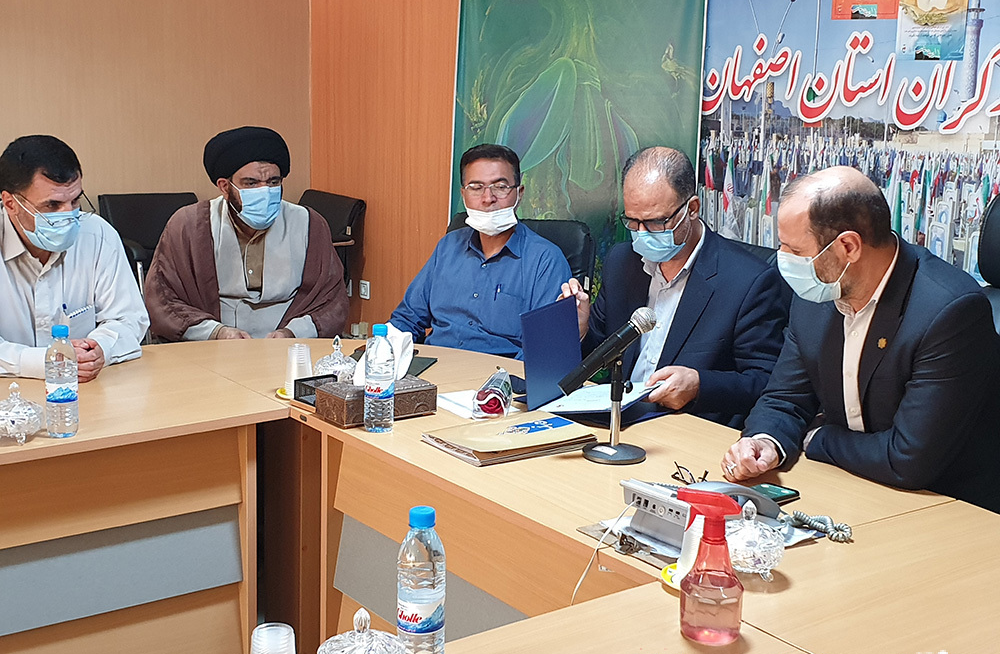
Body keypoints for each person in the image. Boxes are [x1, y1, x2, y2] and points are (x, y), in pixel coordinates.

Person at [722, 166, 1000, 513]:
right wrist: (765, 442)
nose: (785, 261)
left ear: (848, 246)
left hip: (945, 504)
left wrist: (817, 436)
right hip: (849, 484)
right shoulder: (818, 293)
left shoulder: (948, 311)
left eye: (794, 250)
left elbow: (907, 459)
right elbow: (785, 397)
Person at [561, 147, 787, 428]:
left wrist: (699, 385)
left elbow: (765, 382)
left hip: (686, 428)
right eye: (632, 221)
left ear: (692, 209)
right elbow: (601, 354)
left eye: (656, 222)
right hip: (619, 420)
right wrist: (581, 330)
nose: (641, 234)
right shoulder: (622, 262)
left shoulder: (748, 281)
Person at [145, 126, 347, 341]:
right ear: (225, 186)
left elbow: (331, 299)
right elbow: (163, 298)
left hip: (289, 344)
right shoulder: (188, 225)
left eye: (273, 182)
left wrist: (292, 333)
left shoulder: (309, 223)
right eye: (251, 183)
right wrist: (216, 333)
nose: (265, 191)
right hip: (212, 344)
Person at [389, 144, 571, 358]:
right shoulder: (448, 247)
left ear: (519, 193)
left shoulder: (545, 260)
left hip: (499, 374)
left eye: (500, 187)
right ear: (463, 194)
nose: (487, 198)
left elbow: (544, 348)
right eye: (476, 187)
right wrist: (383, 355)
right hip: (436, 368)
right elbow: (407, 318)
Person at [0, 135, 148, 381]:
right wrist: (46, 361)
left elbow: (129, 318)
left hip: (87, 388)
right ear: (10, 203)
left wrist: (99, 350)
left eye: (75, 200)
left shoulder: (97, 234)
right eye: (52, 205)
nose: (69, 215)